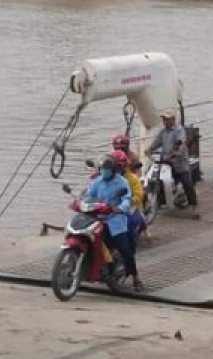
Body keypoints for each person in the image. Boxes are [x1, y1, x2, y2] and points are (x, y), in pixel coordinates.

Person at [84, 154, 143, 291]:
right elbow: (88, 197)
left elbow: (127, 199)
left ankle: (135, 277)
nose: (104, 171)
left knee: (125, 250)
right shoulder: (96, 182)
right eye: (102, 168)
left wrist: (120, 208)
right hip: (98, 218)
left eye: (107, 169)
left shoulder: (122, 182)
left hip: (115, 220)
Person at [146, 109, 200, 218]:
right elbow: (156, 143)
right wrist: (149, 149)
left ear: (173, 119)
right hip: (165, 160)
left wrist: (179, 152)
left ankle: (194, 208)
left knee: (187, 182)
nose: (165, 121)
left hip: (179, 162)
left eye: (167, 119)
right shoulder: (163, 132)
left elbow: (182, 143)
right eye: (164, 119)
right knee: (153, 175)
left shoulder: (179, 130)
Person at [112, 149, 147, 242]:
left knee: (130, 224)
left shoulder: (132, 179)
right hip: (110, 207)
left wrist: (129, 201)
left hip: (129, 208)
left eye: (118, 166)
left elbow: (138, 195)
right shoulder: (105, 178)